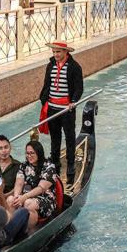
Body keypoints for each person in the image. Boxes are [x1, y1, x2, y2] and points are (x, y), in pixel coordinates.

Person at [39, 41, 84, 184]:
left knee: (70, 137)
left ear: (65, 52)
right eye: (54, 52)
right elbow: (47, 84)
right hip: (52, 107)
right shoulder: (50, 66)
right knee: (55, 137)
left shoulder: (74, 67)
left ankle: (70, 165)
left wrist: (74, 100)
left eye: (58, 52)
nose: (55, 54)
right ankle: (55, 164)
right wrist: (44, 99)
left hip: (67, 109)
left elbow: (79, 87)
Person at [9, 140, 61, 233]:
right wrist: (17, 197)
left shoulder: (49, 166)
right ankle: (11, 230)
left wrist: (24, 197)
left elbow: (41, 188)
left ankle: (26, 232)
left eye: (32, 153)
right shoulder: (24, 165)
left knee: (28, 203)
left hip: (45, 199)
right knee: (11, 200)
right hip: (26, 197)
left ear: (39, 153)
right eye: (27, 153)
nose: (29, 156)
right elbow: (19, 183)